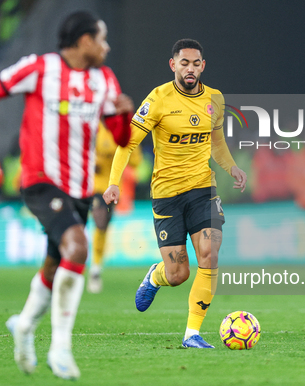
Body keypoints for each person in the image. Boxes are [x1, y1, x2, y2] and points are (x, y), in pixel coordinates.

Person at [0, 11, 133, 380]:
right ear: (83, 41)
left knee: (53, 264)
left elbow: (121, 138)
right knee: (77, 248)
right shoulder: (40, 68)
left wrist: (124, 117)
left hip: (80, 188)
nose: (107, 47)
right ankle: (60, 348)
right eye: (102, 39)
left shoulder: (104, 80)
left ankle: (25, 325)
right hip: (41, 180)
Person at [103, 39, 247, 348]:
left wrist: (231, 167)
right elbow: (128, 142)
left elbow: (216, 142)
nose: (190, 68)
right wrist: (114, 182)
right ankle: (156, 277)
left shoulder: (215, 99)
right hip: (167, 194)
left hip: (202, 190)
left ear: (203, 66)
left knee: (209, 254)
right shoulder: (158, 99)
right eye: (184, 63)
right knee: (178, 272)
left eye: (196, 63)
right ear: (173, 65)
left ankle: (192, 334)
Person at [88, 122, 142, 293]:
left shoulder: (124, 132)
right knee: (100, 221)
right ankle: (88, 267)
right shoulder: (95, 129)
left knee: (103, 228)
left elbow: (135, 161)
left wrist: (122, 158)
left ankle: (96, 266)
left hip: (112, 189)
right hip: (93, 187)